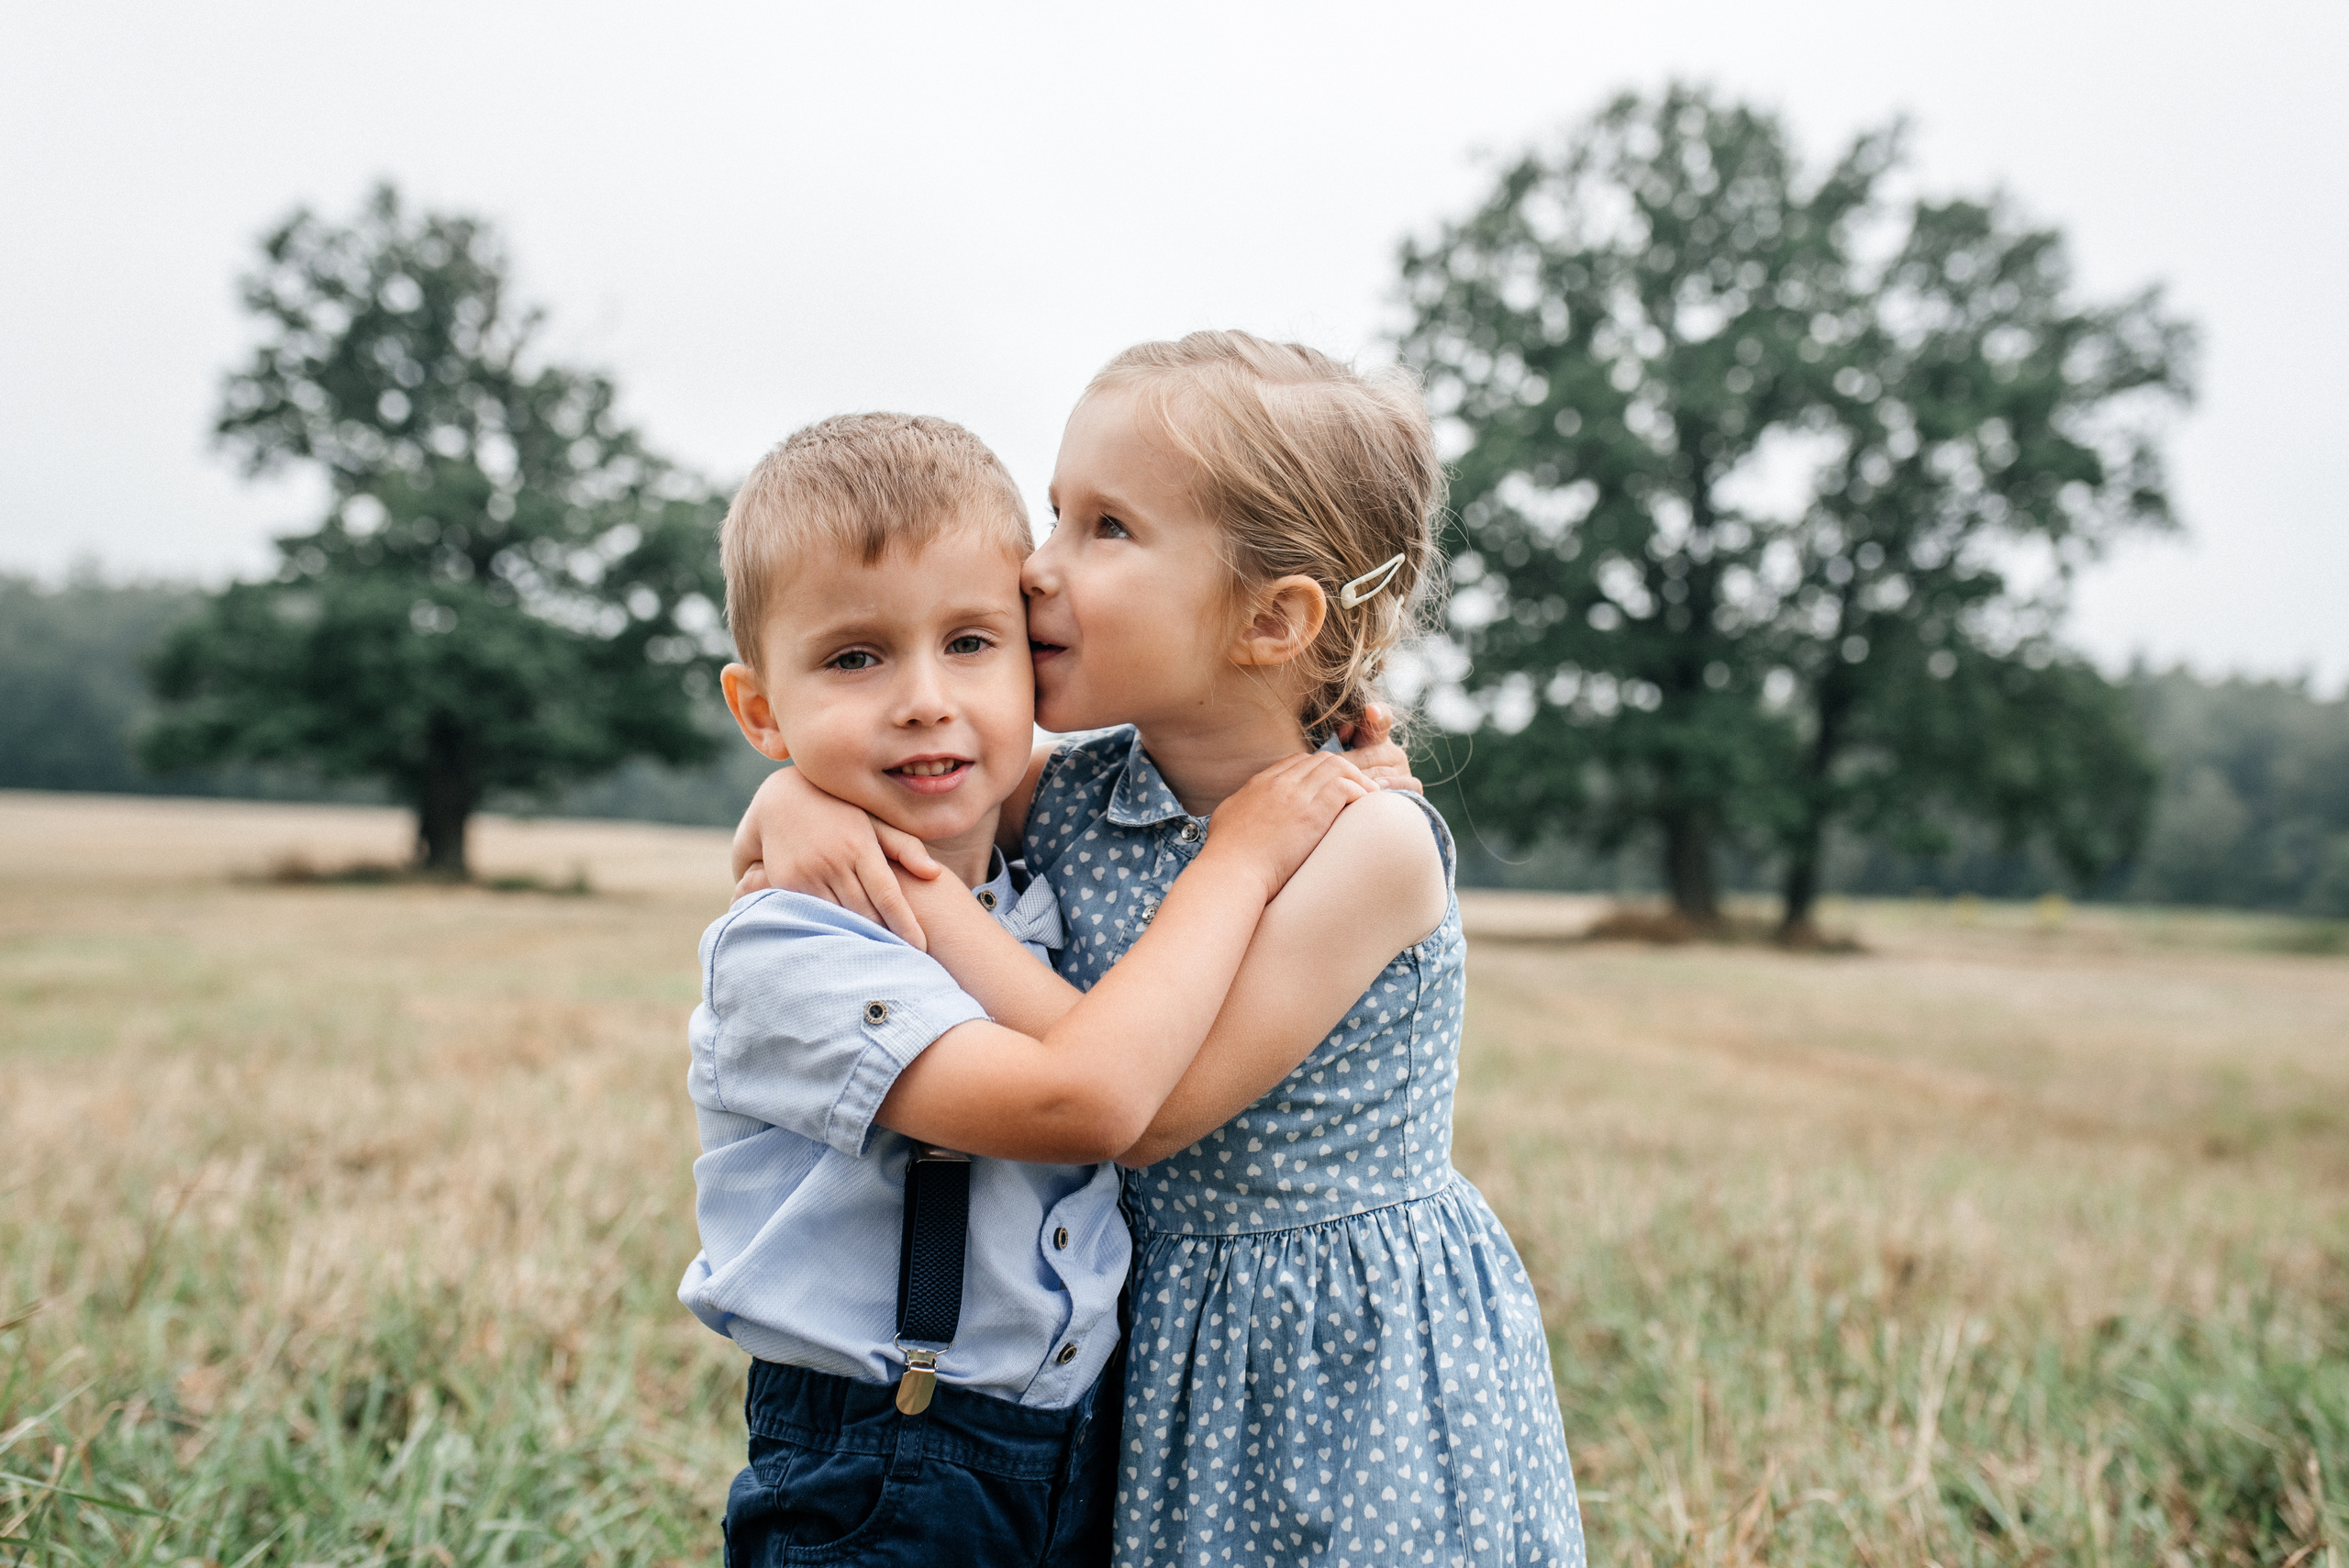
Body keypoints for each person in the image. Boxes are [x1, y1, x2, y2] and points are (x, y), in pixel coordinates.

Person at [734, 336, 1586, 1567]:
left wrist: (917, 886)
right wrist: (800, 807)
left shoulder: (1364, 844)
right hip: (1142, 1335)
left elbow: (1150, 1111)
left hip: (1334, 1352)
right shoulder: (1077, 792)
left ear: (1271, 618)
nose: (1035, 567)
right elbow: (887, 773)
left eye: (1106, 530)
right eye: (1055, 514)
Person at [684, 411, 1376, 1567]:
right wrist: (1241, 857)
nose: (921, 697)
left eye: (971, 641)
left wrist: (1334, 751)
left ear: (1034, 660)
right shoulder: (791, 949)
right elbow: (1084, 1103)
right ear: (761, 710)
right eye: (855, 657)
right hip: (883, 1462)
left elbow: (1210, 756)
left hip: (1080, 1447)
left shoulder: (1038, 866)